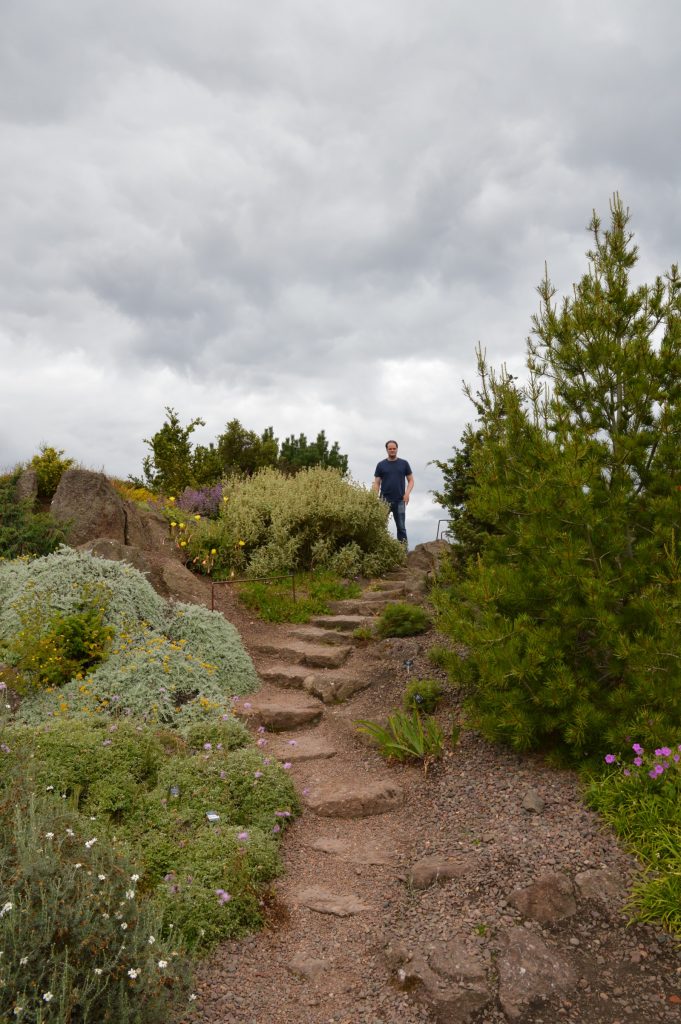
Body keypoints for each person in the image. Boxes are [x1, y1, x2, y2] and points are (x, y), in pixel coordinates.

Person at [372, 440, 414, 545]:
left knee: (401, 528)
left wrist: (407, 493)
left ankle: (403, 552)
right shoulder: (381, 465)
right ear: (387, 450)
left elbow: (411, 480)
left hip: (400, 500)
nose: (392, 450)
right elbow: (376, 483)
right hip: (384, 501)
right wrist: (373, 497)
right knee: (380, 526)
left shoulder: (404, 463)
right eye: (390, 449)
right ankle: (380, 550)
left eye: (394, 448)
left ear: (397, 449)